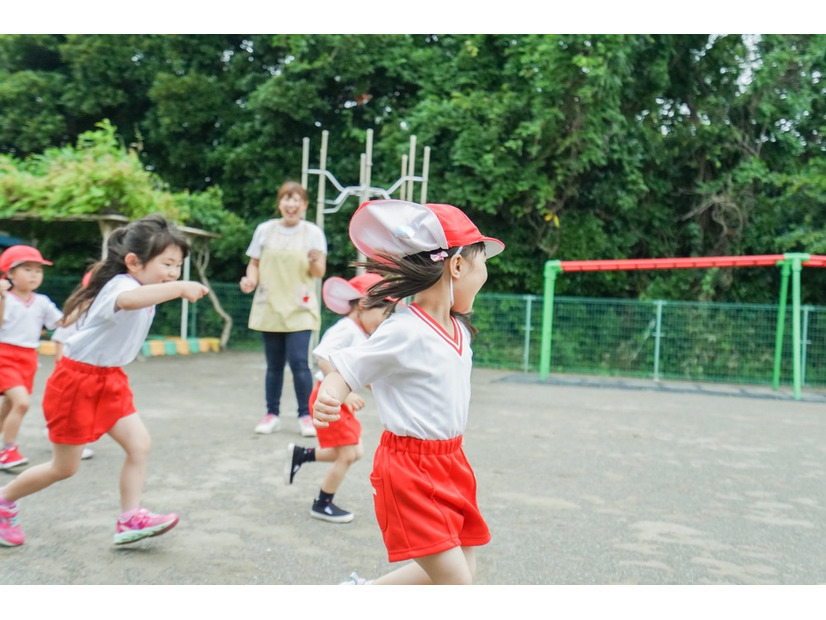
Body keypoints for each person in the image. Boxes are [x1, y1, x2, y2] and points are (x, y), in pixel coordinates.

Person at [312, 199, 504, 585]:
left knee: (464, 569)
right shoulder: (403, 330)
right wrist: (330, 393)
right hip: (410, 469)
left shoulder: (460, 330)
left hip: (452, 461)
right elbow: (347, 365)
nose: (485, 274)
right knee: (456, 584)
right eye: (483, 263)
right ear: (458, 265)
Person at [0, 214, 209, 547]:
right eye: (167, 264)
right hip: (77, 382)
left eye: (178, 267)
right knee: (64, 468)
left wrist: (171, 283)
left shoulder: (144, 286)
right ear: (133, 262)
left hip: (110, 378)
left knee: (139, 445)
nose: (173, 272)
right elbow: (127, 302)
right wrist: (179, 287)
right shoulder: (123, 286)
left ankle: (130, 519)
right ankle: (4, 500)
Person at [284, 272, 394, 524]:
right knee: (346, 454)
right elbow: (323, 357)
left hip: (335, 400)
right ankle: (322, 503)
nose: (383, 323)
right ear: (365, 305)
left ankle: (303, 455)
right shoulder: (345, 328)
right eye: (383, 315)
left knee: (355, 452)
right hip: (328, 399)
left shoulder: (358, 331)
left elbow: (356, 369)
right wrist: (345, 395)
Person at [240, 181, 327, 438]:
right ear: (279, 203)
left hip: (300, 307)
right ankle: (272, 414)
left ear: (304, 205)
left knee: (300, 363)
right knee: (274, 365)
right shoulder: (264, 230)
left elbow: (319, 273)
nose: (291, 204)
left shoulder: (313, 233)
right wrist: (250, 280)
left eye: (296, 199)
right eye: (286, 199)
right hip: (270, 306)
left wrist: (314, 262)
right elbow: (253, 264)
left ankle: (305, 415)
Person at [0, 245, 63, 470]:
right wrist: (2, 297)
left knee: (9, 404)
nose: (34, 275)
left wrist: (87, 311)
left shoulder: (42, 301)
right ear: (10, 274)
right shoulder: (4, 298)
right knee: (21, 403)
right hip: (4, 355)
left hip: (28, 358)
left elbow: (61, 322)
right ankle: (8, 450)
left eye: (38, 270)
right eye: (27, 269)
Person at [49, 270, 94, 461]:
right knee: (71, 408)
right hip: (71, 369)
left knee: (85, 406)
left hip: (90, 369)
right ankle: (68, 441)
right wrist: (61, 365)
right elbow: (60, 337)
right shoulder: (79, 312)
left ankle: (76, 440)